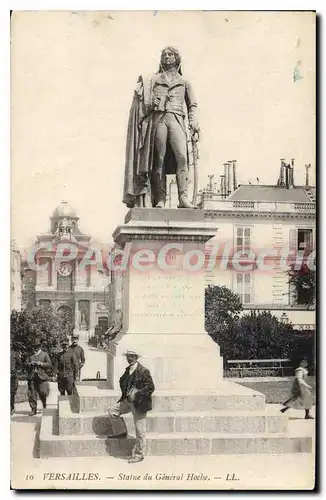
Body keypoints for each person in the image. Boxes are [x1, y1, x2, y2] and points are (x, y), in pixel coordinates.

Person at [123, 46, 199, 209]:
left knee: (182, 158)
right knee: (159, 160)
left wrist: (193, 122)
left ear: (177, 58)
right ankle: (161, 199)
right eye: (164, 54)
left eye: (170, 54)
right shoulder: (154, 80)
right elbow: (143, 104)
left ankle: (183, 198)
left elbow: (192, 105)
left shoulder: (185, 83)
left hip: (176, 118)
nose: (167, 57)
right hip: (159, 121)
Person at [107, 350, 155, 463]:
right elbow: (122, 381)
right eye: (128, 356)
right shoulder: (128, 369)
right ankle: (120, 431)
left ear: (136, 357)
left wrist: (137, 393)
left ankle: (139, 455)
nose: (130, 359)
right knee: (112, 411)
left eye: (132, 356)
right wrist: (126, 392)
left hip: (140, 403)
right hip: (128, 402)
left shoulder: (144, 371)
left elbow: (150, 387)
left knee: (140, 430)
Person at [25, 338, 52, 416]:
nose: (36, 348)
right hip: (32, 377)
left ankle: (44, 404)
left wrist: (42, 364)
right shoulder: (30, 355)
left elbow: (49, 364)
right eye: (34, 346)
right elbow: (25, 364)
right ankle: (33, 409)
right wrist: (30, 364)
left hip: (42, 376)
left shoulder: (44, 354)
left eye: (37, 346)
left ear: (40, 346)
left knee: (43, 392)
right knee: (32, 394)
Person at [10, 344, 22, 415]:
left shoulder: (15, 354)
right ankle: (11, 408)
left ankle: (11, 408)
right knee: (11, 392)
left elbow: (20, 365)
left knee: (11, 392)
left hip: (12, 376)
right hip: (12, 375)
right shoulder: (15, 354)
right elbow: (20, 365)